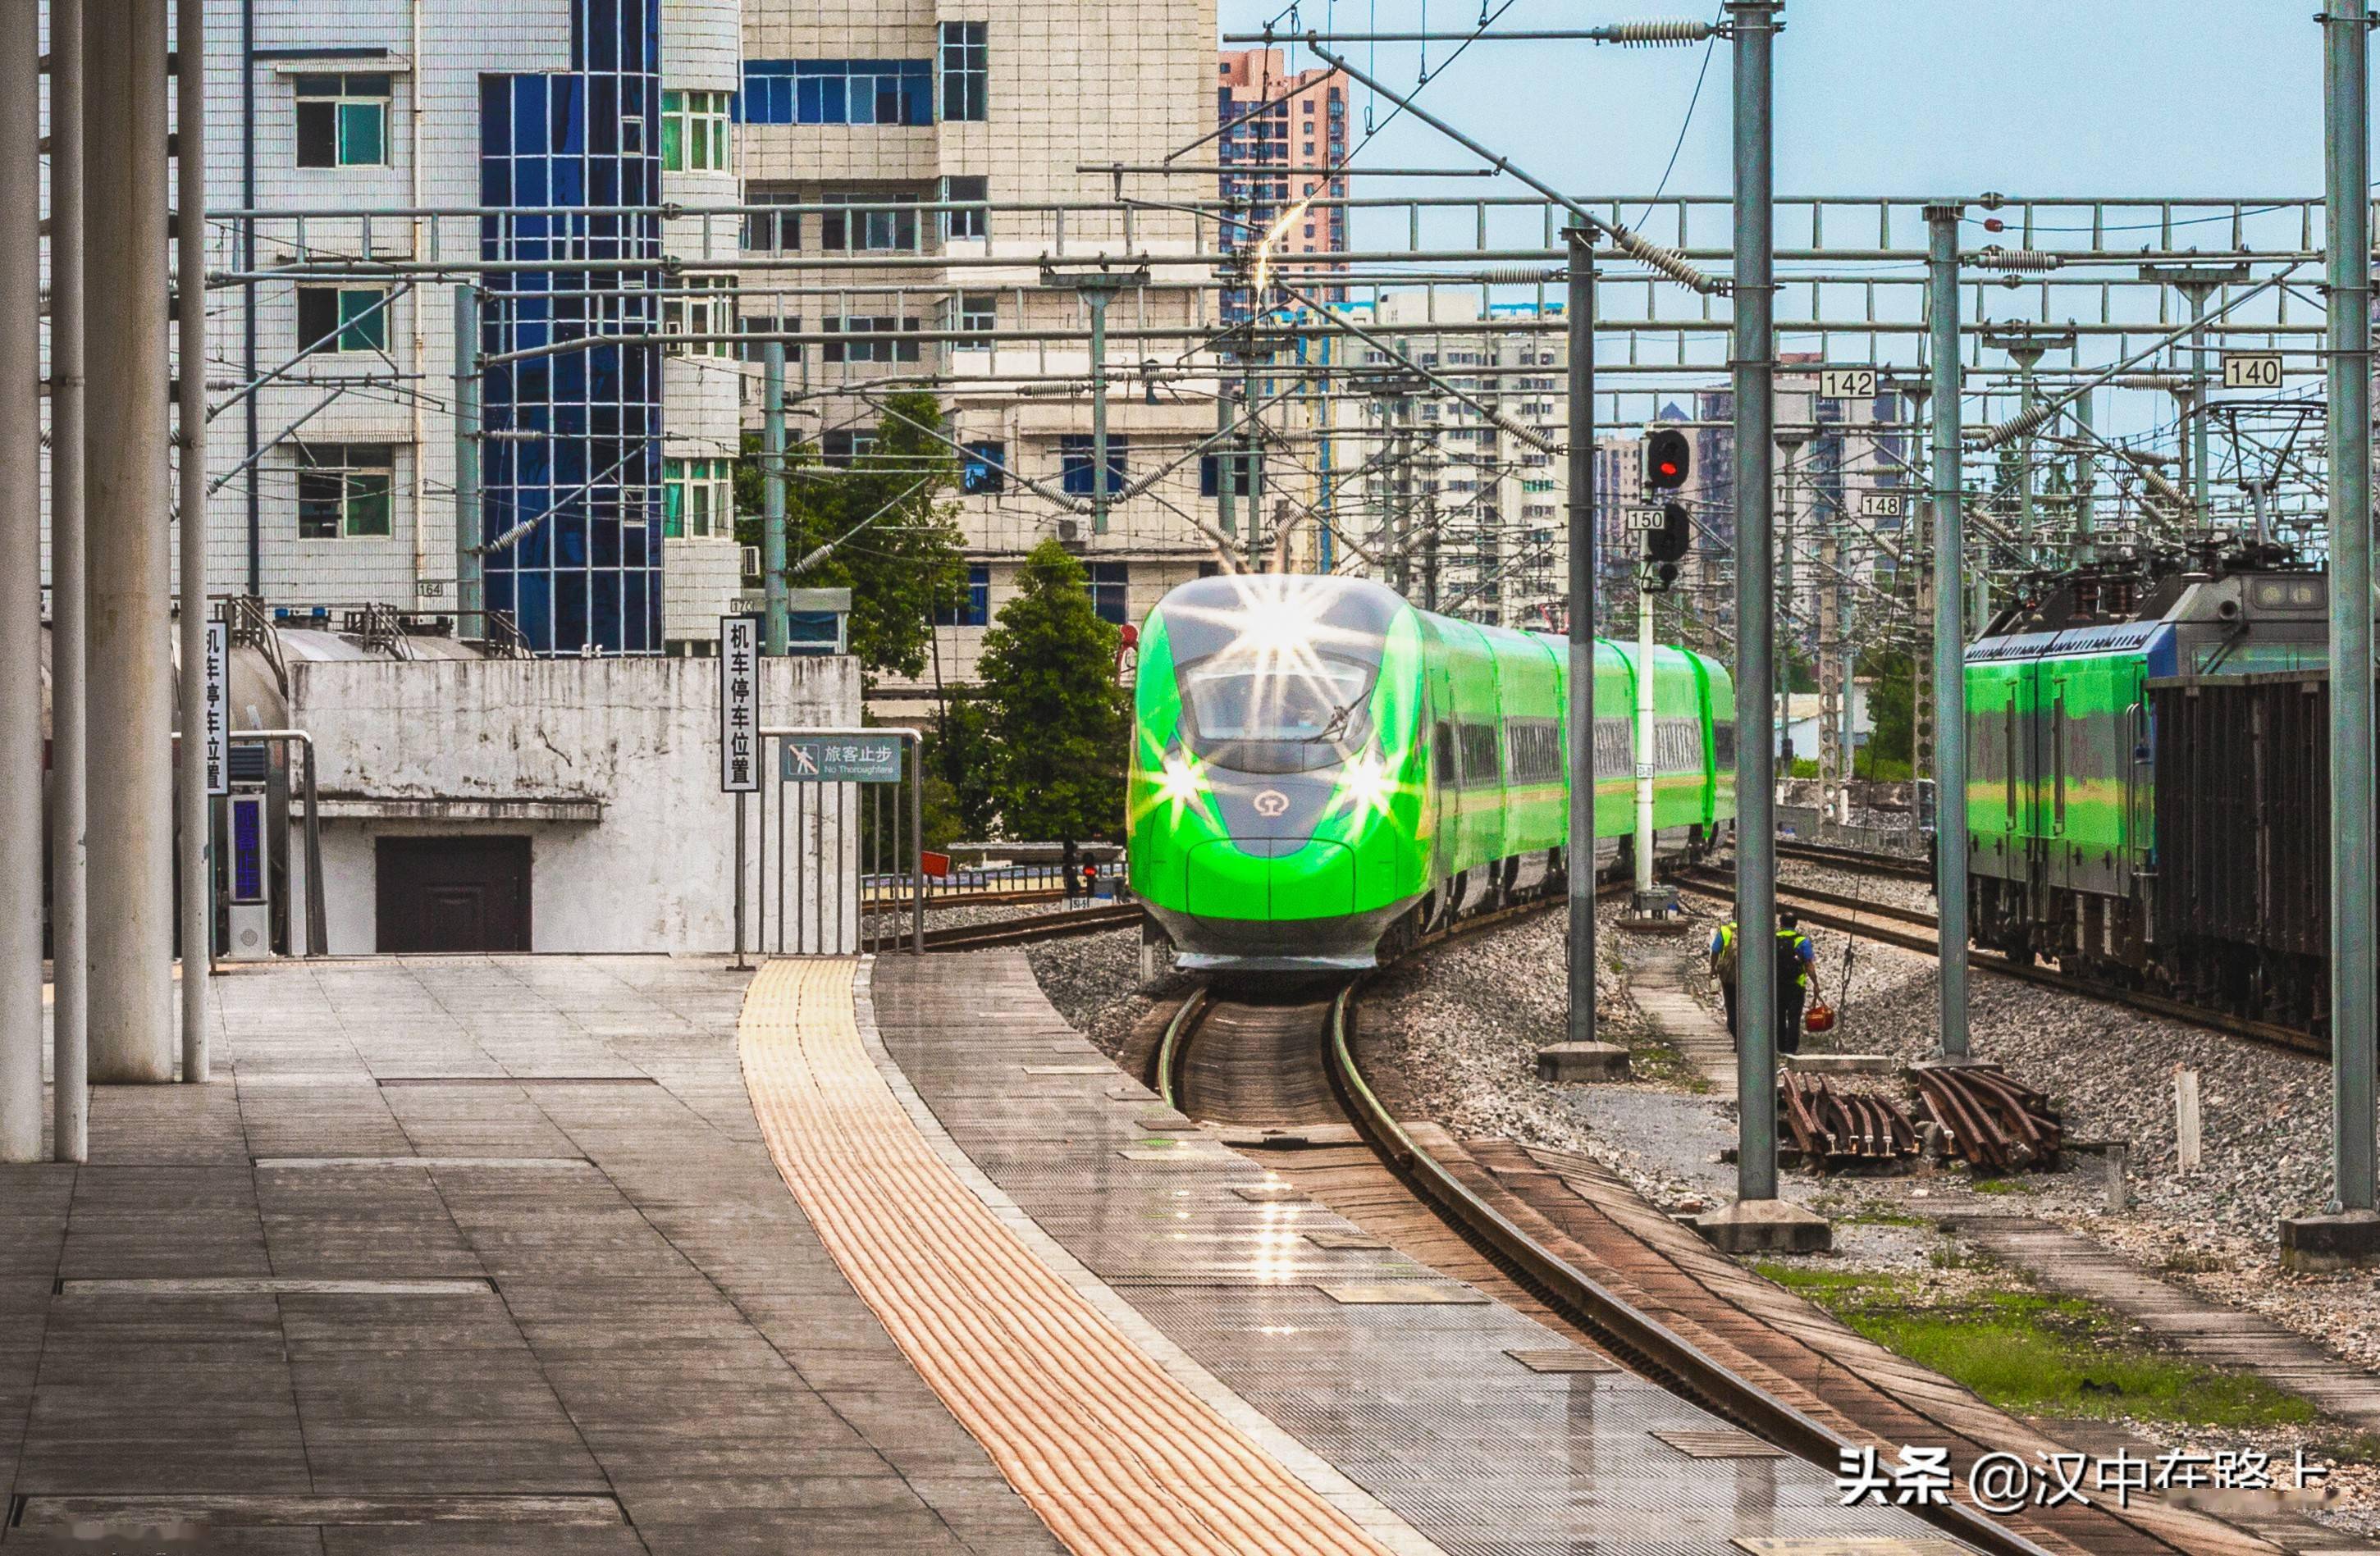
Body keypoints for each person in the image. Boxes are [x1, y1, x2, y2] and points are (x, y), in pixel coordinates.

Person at [1707, 911, 1819, 1052]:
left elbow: (1717, 951)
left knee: (1776, 1015)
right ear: (1796, 924)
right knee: (1794, 1018)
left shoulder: (1771, 939)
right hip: (1796, 985)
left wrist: (1713, 969)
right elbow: (1809, 964)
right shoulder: (1802, 941)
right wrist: (1815, 983)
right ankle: (1790, 1049)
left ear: (1781, 923)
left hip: (1769, 983)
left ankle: (1775, 1045)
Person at [1061, 838, 1080, 903]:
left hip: (1070, 870)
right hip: (1069, 870)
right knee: (1070, 883)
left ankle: (1071, 893)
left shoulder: (1071, 855)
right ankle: (1071, 893)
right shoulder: (1068, 856)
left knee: (1072, 883)